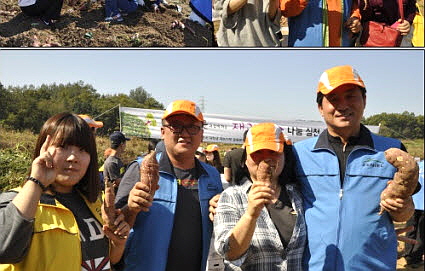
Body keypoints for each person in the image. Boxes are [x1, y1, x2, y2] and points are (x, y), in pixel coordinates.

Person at [292, 65, 416, 271]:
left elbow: (406, 206)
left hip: (374, 265)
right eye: (333, 99)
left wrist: (403, 210)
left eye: (351, 96)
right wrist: (218, 197)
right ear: (320, 108)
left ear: (364, 101)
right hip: (314, 265)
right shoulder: (298, 154)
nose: (343, 105)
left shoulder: (393, 150)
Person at [0, 112, 130, 271]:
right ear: (44, 147)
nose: (73, 157)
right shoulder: (17, 200)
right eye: (63, 146)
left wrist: (118, 243)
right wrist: (37, 181)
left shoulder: (96, 202)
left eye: (83, 149)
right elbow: (3, 249)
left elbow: (107, 259)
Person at [115, 99, 223, 271]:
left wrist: (221, 211)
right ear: (163, 132)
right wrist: (131, 208)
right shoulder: (141, 168)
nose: (185, 133)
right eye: (176, 126)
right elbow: (114, 227)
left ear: (202, 134)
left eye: (193, 127)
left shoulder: (212, 176)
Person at [214, 122, 306, 270]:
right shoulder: (231, 197)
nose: (266, 159)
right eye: (257, 153)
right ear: (245, 159)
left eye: (273, 152)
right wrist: (250, 215)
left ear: (284, 156)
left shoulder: (298, 194)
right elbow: (228, 252)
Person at [401, 159, 424, 268]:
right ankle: (415, 258)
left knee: (411, 228)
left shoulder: (417, 165)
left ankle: (408, 254)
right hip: (422, 203)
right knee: (421, 233)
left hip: (413, 202)